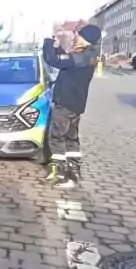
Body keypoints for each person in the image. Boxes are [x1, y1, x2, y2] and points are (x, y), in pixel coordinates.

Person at [42, 24, 101, 188]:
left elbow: (54, 60)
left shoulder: (82, 57)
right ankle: (73, 172)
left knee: (57, 137)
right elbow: (65, 60)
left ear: (87, 39)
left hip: (66, 103)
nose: (77, 38)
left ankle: (61, 173)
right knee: (71, 138)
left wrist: (48, 42)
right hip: (75, 104)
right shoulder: (87, 56)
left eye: (80, 36)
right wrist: (58, 47)